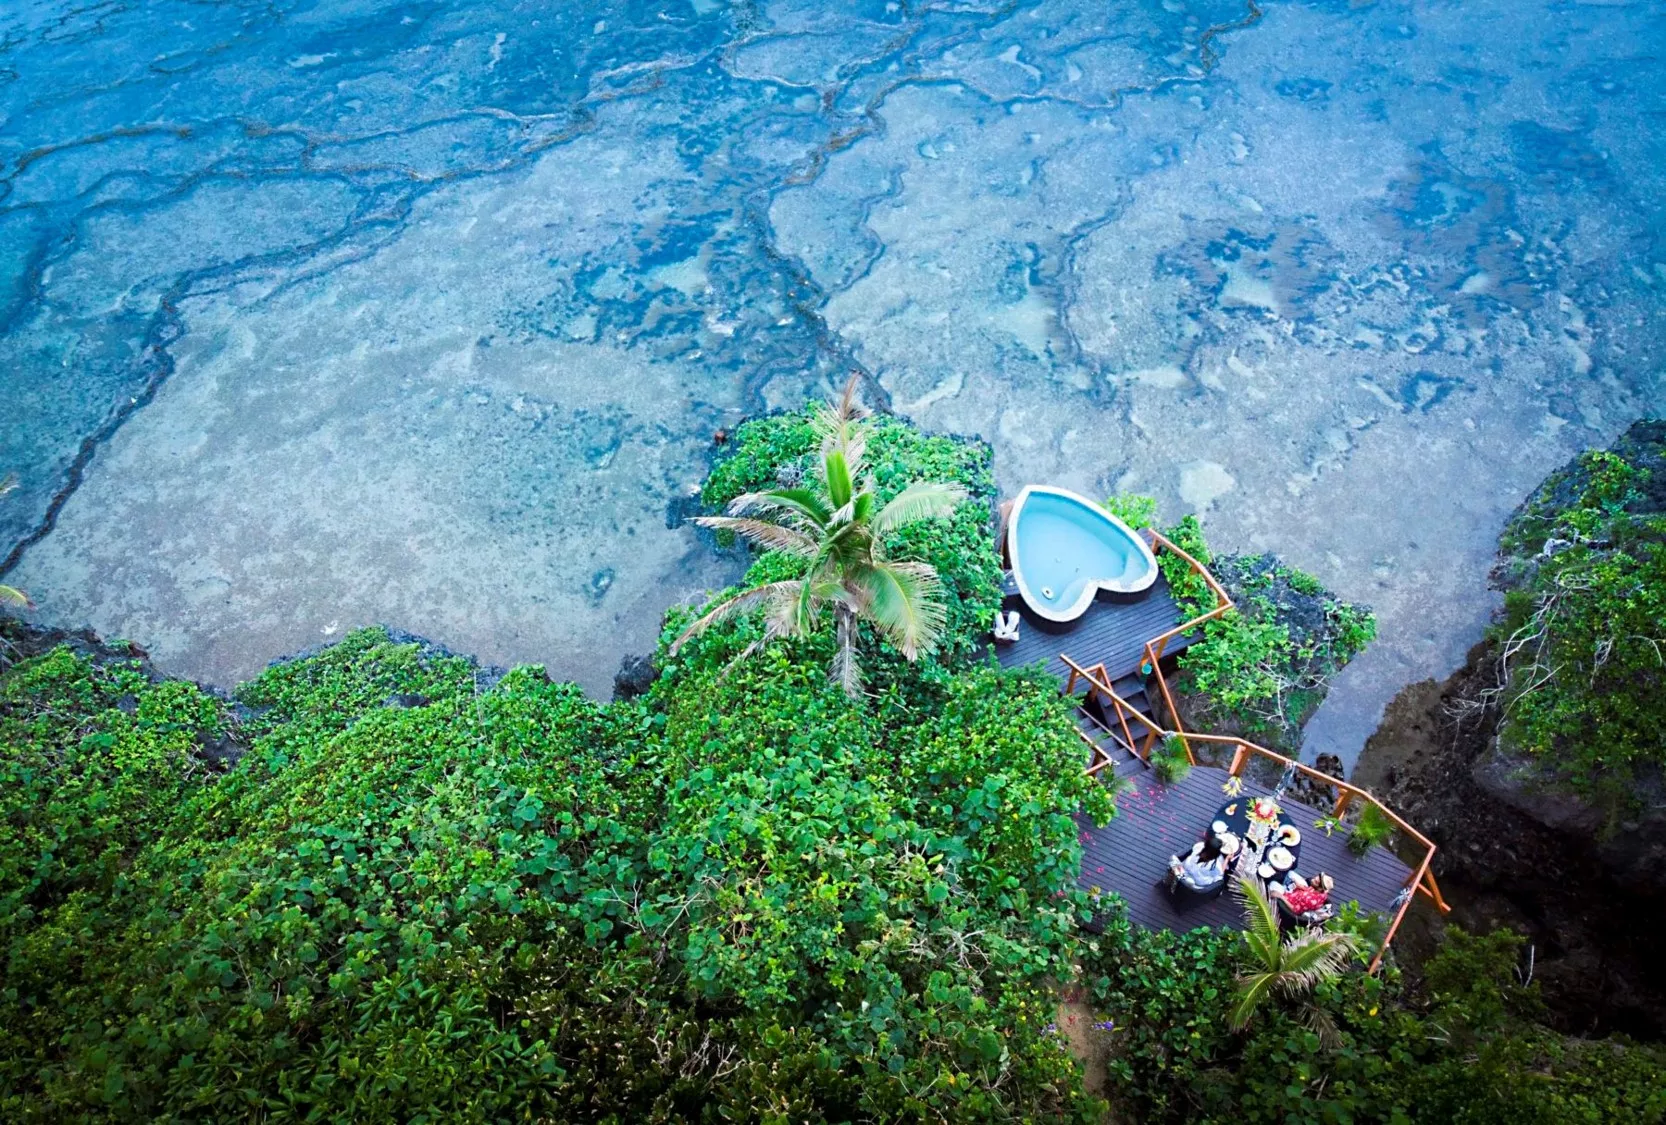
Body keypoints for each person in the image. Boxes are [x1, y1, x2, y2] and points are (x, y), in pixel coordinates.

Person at [1168, 832, 1242, 895]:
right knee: (1221, 878)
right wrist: (1227, 859)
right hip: (1197, 882)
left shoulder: (1199, 846)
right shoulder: (1216, 864)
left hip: (1184, 869)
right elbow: (1220, 874)